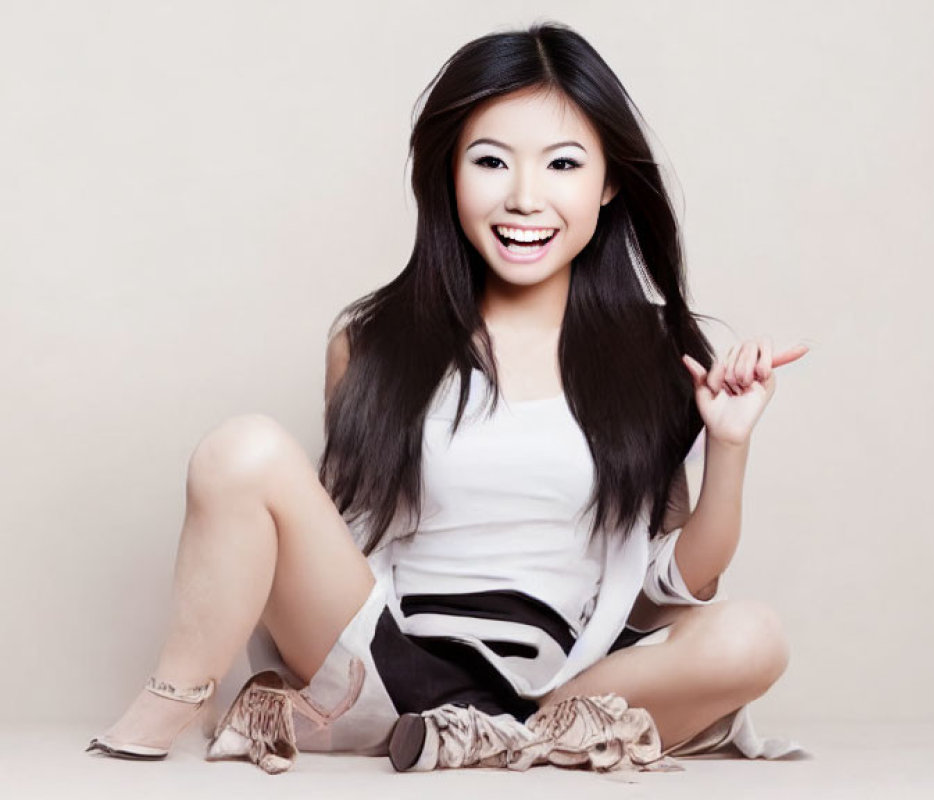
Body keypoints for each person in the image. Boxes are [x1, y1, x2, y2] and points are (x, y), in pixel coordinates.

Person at [86, 21, 808, 770]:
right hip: (388, 665)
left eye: (562, 164)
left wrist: (727, 444)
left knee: (753, 635)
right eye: (491, 161)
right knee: (242, 448)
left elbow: (678, 592)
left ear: (609, 181)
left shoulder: (656, 354)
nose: (525, 198)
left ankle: (495, 735)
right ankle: (178, 694)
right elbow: (345, 538)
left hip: (559, 683)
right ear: (449, 174)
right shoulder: (373, 342)